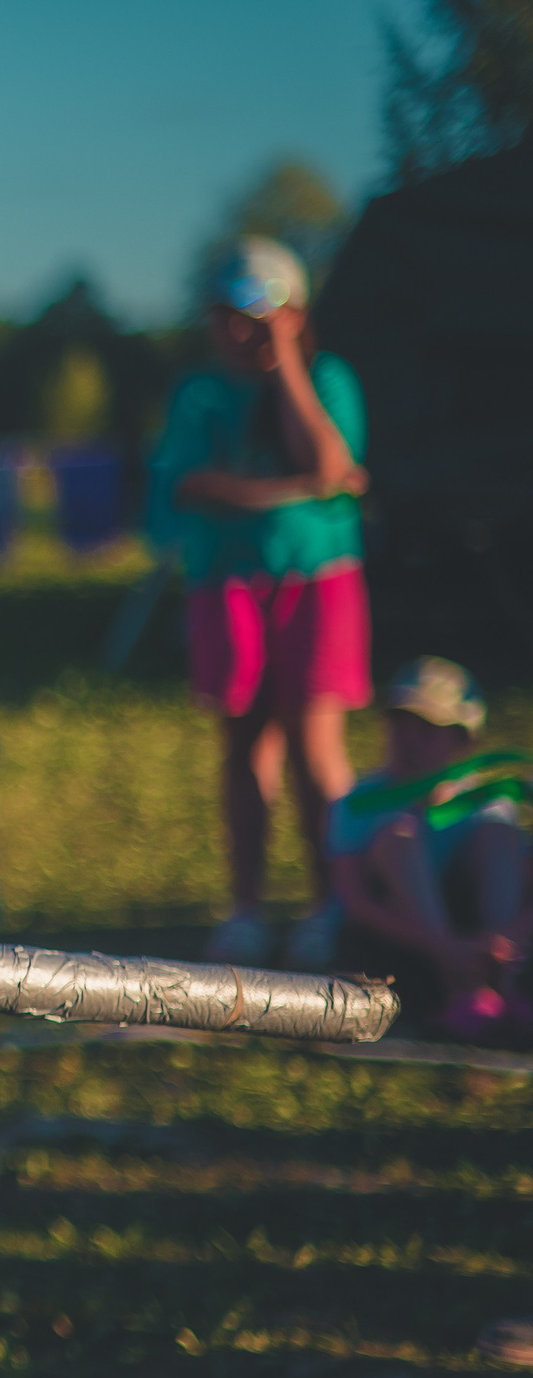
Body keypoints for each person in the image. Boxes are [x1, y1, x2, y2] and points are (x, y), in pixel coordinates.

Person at [148, 236, 370, 969]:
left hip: (318, 581)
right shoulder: (200, 394)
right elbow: (192, 484)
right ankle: (246, 907)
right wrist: (298, 490)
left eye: (253, 313)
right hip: (229, 584)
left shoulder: (328, 378)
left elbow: (330, 460)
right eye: (224, 313)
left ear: (290, 311)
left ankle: (330, 901)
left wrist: (290, 370)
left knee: (316, 747)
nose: (236, 330)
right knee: (246, 745)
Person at [325, 657, 528, 1041]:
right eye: (399, 727)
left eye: (426, 732)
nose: (407, 742)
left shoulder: (489, 805)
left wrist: (504, 940)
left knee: (497, 834)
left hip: (475, 939)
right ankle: (461, 990)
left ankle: (501, 988)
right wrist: (445, 949)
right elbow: (353, 902)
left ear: (463, 741)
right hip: (393, 952)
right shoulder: (359, 803)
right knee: (398, 837)